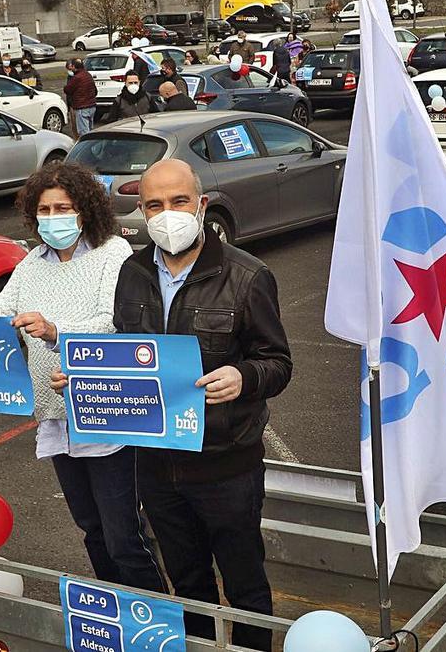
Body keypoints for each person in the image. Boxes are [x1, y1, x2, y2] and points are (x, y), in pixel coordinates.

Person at [54, 159, 292, 651]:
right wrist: (84, 378)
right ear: (141, 211)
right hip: (157, 463)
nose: (168, 214)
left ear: (201, 204)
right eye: (155, 204)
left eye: (179, 201)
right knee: (188, 584)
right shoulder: (133, 272)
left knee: (245, 585)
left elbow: (277, 362)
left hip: (226, 463)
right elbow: (125, 350)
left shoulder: (248, 276)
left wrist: (244, 376)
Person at [0, 163, 165, 595]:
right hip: (55, 415)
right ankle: (122, 614)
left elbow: (113, 323)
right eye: (44, 209)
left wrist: (55, 330)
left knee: (125, 536)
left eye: (62, 207)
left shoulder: (113, 255)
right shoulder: (30, 264)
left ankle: (157, 620)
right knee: (92, 529)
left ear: (84, 209)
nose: (53, 217)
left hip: (106, 412)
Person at [64, 58, 98, 136]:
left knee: (84, 132)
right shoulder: (88, 74)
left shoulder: (76, 78)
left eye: (71, 66)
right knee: (89, 130)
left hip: (82, 107)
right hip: (91, 106)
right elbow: (95, 91)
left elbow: (67, 89)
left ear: (74, 67)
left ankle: (87, 147)